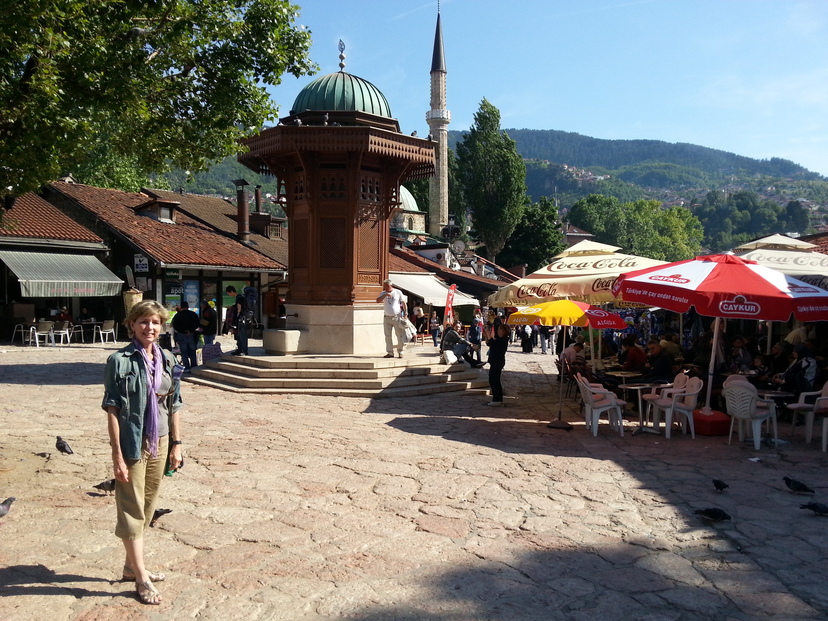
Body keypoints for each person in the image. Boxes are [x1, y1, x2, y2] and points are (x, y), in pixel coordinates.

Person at [102, 300, 183, 606]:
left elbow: (173, 403)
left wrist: (177, 443)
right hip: (132, 444)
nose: (149, 328)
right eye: (143, 322)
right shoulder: (119, 360)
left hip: (160, 442)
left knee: (147, 507)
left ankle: (129, 566)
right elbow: (112, 408)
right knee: (131, 508)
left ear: (162, 327)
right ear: (132, 325)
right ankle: (141, 577)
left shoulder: (167, 358)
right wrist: (117, 455)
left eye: (155, 322)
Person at [376, 279, 407, 358]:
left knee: (399, 335)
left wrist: (405, 313)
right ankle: (390, 352)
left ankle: (401, 351)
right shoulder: (383, 293)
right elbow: (378, 301)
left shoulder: (397, 292)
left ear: (390, 285)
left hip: (396, 317)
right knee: (387, 336)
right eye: (384, 286)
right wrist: (385, 295)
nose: (384, 287)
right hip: (387, 317)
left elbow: (403, 303)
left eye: (386, 286)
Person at [171, 301, 200, 370]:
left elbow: (175, 325)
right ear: (188, 306)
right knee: (192, 351)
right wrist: (190, 330)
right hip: (191, 334)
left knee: (184, 352)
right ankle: (194, 366)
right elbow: (197, 324)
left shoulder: (178, 315)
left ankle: (186, 367)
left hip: (181, 335)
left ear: (181, 307)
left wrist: (182, 331)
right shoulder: (193, 314)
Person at [486, 323, 509, 406]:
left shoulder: (503, 339)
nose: (498, 331)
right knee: (493, 380)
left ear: (503, 331)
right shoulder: (499, 339)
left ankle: (497, 399)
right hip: (495, 361)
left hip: (497, 361)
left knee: (494, 380)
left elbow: (493, 343)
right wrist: (487, 335)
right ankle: (496, 398)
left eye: (499, 329)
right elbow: (490, 344)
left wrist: (489, 335)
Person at [223, 286, 248, 355]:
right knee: (239, 334)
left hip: (241, 318)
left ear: (231, 291)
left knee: (242, 334)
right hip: (243, 318)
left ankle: (243, 350)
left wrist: (237, 316)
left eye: (229, 293)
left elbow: (239, 308)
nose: (229, 295)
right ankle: (240, 349)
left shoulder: (239, 297)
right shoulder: (241, 297)